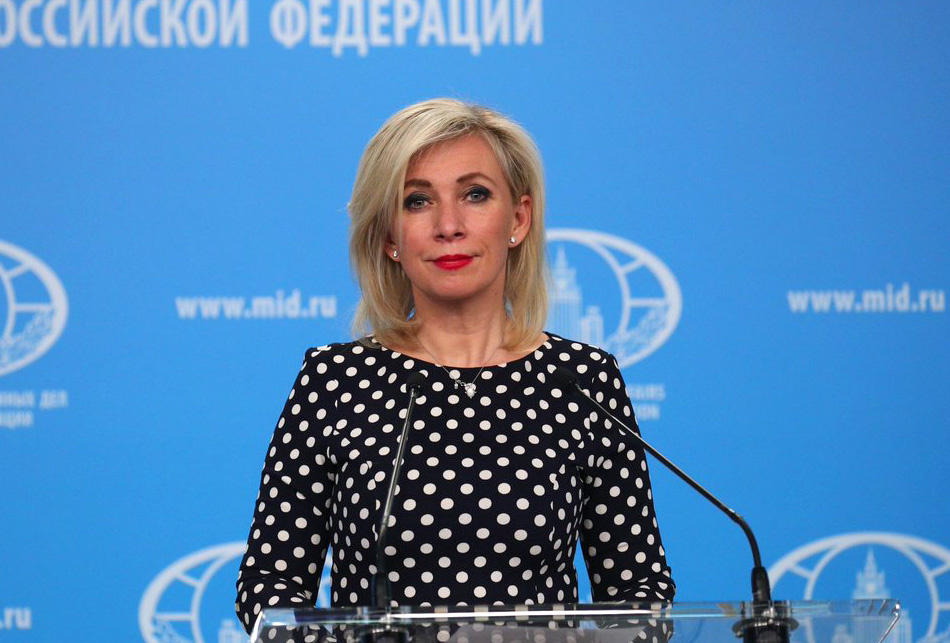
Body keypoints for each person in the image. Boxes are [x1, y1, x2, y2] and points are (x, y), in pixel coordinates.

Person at [235, 98, 674, 633]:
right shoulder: (335, 381)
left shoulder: (582, 381)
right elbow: (269, 587)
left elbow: (639, 591)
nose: (449, 225)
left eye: (475, 194)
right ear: (390, 237)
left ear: (518, 219)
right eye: (417, 201)